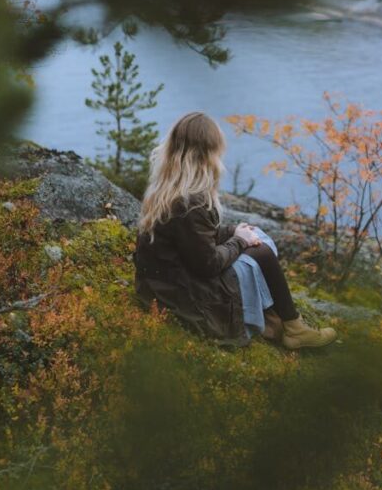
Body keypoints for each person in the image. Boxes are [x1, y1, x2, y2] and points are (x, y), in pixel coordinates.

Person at [133, 111, 337, 350]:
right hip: (183, 297)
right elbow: (207, 265)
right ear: (205, 155)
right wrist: (239, 241)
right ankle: (294, 328)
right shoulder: (190, 204)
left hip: (162, 286)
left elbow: (192, 241)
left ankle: (274, 320)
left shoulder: (167, 189)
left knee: (257, 237)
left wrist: (233, 231)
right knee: (260, 252)